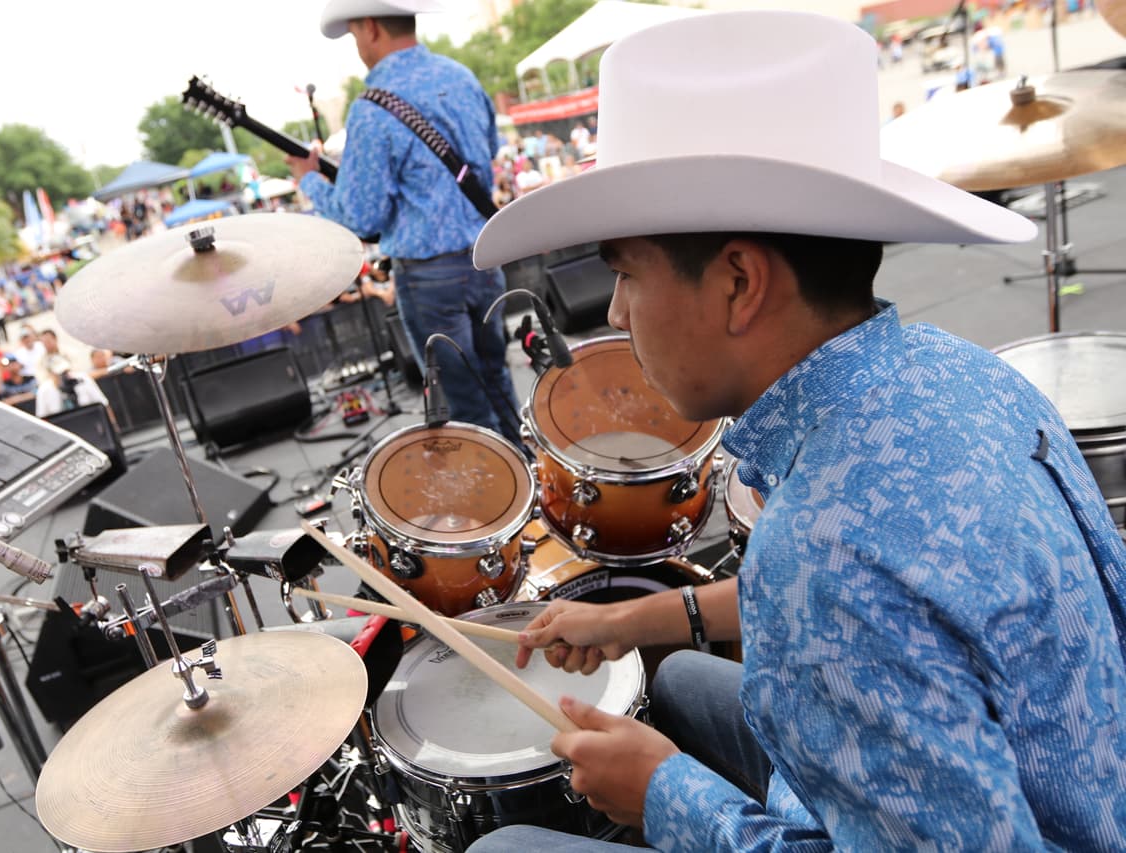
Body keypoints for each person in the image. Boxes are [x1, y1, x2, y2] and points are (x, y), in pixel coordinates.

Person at [466, 11, 1126, 851]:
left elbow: (845, 589)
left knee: (504, 847)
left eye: (627, 273)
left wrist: (668, 797)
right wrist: (628, 621)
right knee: (678, 686)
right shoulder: (968, 370)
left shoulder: (822, 557)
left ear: (740, 281)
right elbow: (901, 600)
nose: (621, 310)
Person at [287, 0, 521, 444]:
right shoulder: (461, 77)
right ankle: (528, 484)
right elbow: (485, 153)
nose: (358, 46)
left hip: (430, 279)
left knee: (464, 404)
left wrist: (311, 181)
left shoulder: (373, 108)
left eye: (355, 35)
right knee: (499, 383)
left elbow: (361, 216)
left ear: (371, 27)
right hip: (486, 257)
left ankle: (499, 501)